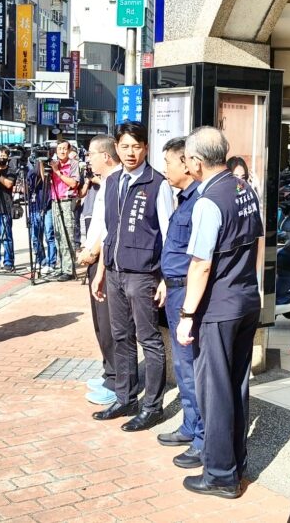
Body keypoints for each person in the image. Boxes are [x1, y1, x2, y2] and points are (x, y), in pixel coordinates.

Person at [177, 127, 263, 499]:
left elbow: (200, 265)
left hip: (220, 307)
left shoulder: (209, 201)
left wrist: (185, 314)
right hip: (246, 299)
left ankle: (220, 474)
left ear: (196, 162)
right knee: (236, 385)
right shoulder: (245, 189)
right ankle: (235, 462)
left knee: (215, 391)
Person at [91, 121, 174, 431]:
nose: (130, 152)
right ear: (117, 147)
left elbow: (168, 235)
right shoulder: (112, 183)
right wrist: (101, 270)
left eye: (136, 146)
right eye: (124, 146)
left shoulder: (157, 184)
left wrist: (164, 278)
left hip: (143, 276)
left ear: (146, 148)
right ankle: (126, 398)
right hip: (114, 271)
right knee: (120, 337)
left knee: (149, 340)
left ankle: (153, 406)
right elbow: (108, 231)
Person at [155, 137, 204, 469]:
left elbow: (200, 259)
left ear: (186, 163)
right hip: (172, 288)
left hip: (186, 292)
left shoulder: (199, 201)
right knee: (183, 367)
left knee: (190, 368)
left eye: (169, 162)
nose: (166, 169)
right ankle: (190, 426)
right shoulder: (183, 199)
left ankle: (202, 437)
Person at [76, 135, 120, 406]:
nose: (88, 159)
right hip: (94, 257)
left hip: (104, 260)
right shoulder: (105, 183)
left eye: (91, 154)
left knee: (109, 323)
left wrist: (93, 252)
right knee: (100, 322)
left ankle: (116, 380)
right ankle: (109, 373)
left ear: (105, 155)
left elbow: (108, 229)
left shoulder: (115, 182)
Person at [50, 140, 79, 280]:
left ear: (68, 150)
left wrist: (58, 173)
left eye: (64, 149)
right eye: (59, 149)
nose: (62, 151)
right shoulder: (52, 164)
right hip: (55, 201)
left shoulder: (73, 164)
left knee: (68, 235)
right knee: (58, 235)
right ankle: (61, 266)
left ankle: (69, 269)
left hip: (67, 201)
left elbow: (73, 183)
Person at [27, 155, 57, 274]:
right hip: (34, 207)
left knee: (49, 236)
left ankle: (51, 263)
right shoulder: (30, 172)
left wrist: (42, 164)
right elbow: (27, 186)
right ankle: (41, 261)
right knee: (35, 238)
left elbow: (46, 182)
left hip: (47, 206)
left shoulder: (49, 170)